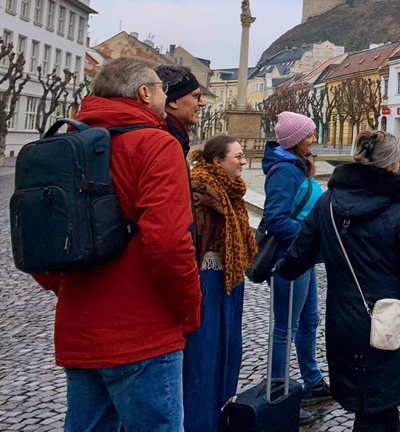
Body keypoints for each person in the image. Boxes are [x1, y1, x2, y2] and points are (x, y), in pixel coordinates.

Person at [33, 57, 201, 432]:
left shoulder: (64, 144)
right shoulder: (156, 145)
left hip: (80, 329)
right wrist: (188, 309)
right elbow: (171, 245)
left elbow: (36, 236)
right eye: (160, 88)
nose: (163, 94)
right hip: (145, 332)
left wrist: (64, 286)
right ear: (144, 93)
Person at [276, 130, 400, 432]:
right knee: (379, 400)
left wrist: (279, 268)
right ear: (392, 166)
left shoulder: (328, 203)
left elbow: (300, 253)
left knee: (373, 403)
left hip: (344, 316)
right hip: (386, 315)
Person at [182, 134, 257, 432]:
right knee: (203, 358)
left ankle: (219, 416)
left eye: (242, 155)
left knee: (226, 351)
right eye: (236, 157)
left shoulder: (231, 190)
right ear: (217, 161)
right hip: (209, 281)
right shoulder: (202, 190)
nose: (242, 161)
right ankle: (200, 423)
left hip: (229, 280)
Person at [261, 111, 330, 408]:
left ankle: (312, 381)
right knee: (285, 327)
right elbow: (276, 219)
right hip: (288, 260)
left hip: (304, 258)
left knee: (309, 321)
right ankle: (279, 392)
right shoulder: (284, 172)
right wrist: (308, 236)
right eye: (309, 135)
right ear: (294, 139)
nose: (314, 139)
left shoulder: (297, 167)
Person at [155, 64, 205, 157]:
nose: (202, 103)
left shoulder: (174, 135)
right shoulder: (162, 142)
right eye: (196, 96)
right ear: (173, 101)